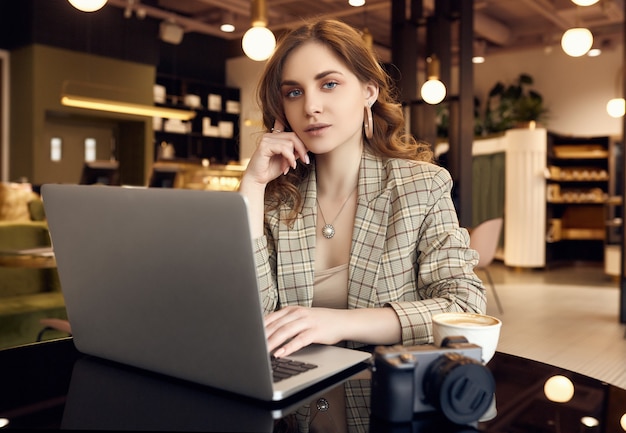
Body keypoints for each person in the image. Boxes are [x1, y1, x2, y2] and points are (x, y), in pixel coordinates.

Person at [239, 19, 486, 360]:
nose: (310, 106)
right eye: (294, 92)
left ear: (368, 92)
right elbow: (252, 313)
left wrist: (340, 323)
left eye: (328, 84)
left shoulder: (420, 186)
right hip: (291, 397)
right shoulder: (275, 197)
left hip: (383, 393)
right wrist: (252, 186)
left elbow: (464, 305)